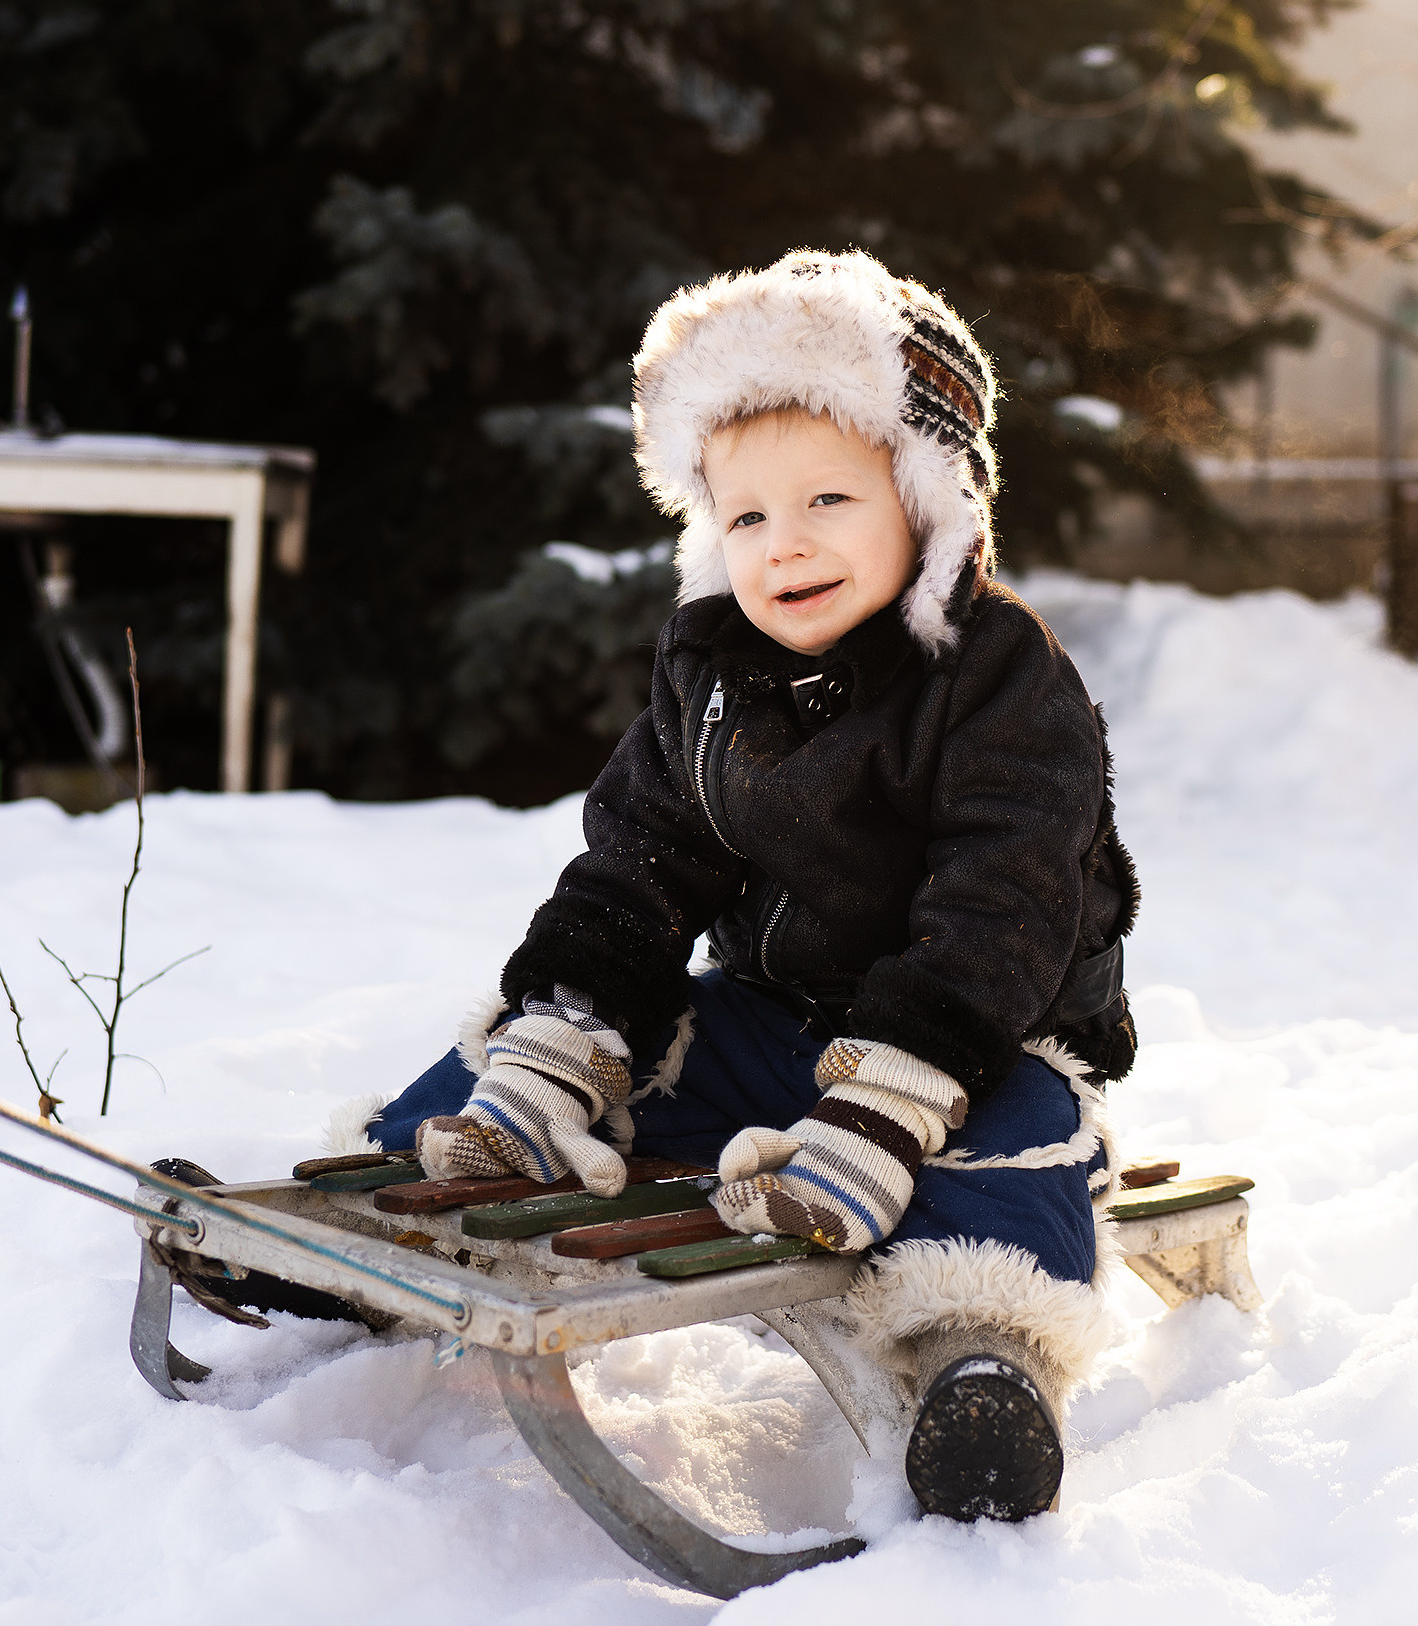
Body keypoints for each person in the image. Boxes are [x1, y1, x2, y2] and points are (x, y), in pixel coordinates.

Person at [328, 249, 1140, 1522]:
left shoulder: (1000, 678)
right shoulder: (711, 669)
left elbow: (1006, 901)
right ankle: (383, 1217)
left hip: (977, 1033)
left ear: (926, 502)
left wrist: (892, 1099)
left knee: (1018, 1149)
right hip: (779, 1021)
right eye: (746, 516)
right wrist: (577, 1020)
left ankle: (977, 1372)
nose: (785, 545)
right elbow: (639, 860)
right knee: (546, 1059)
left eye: (827, 499)